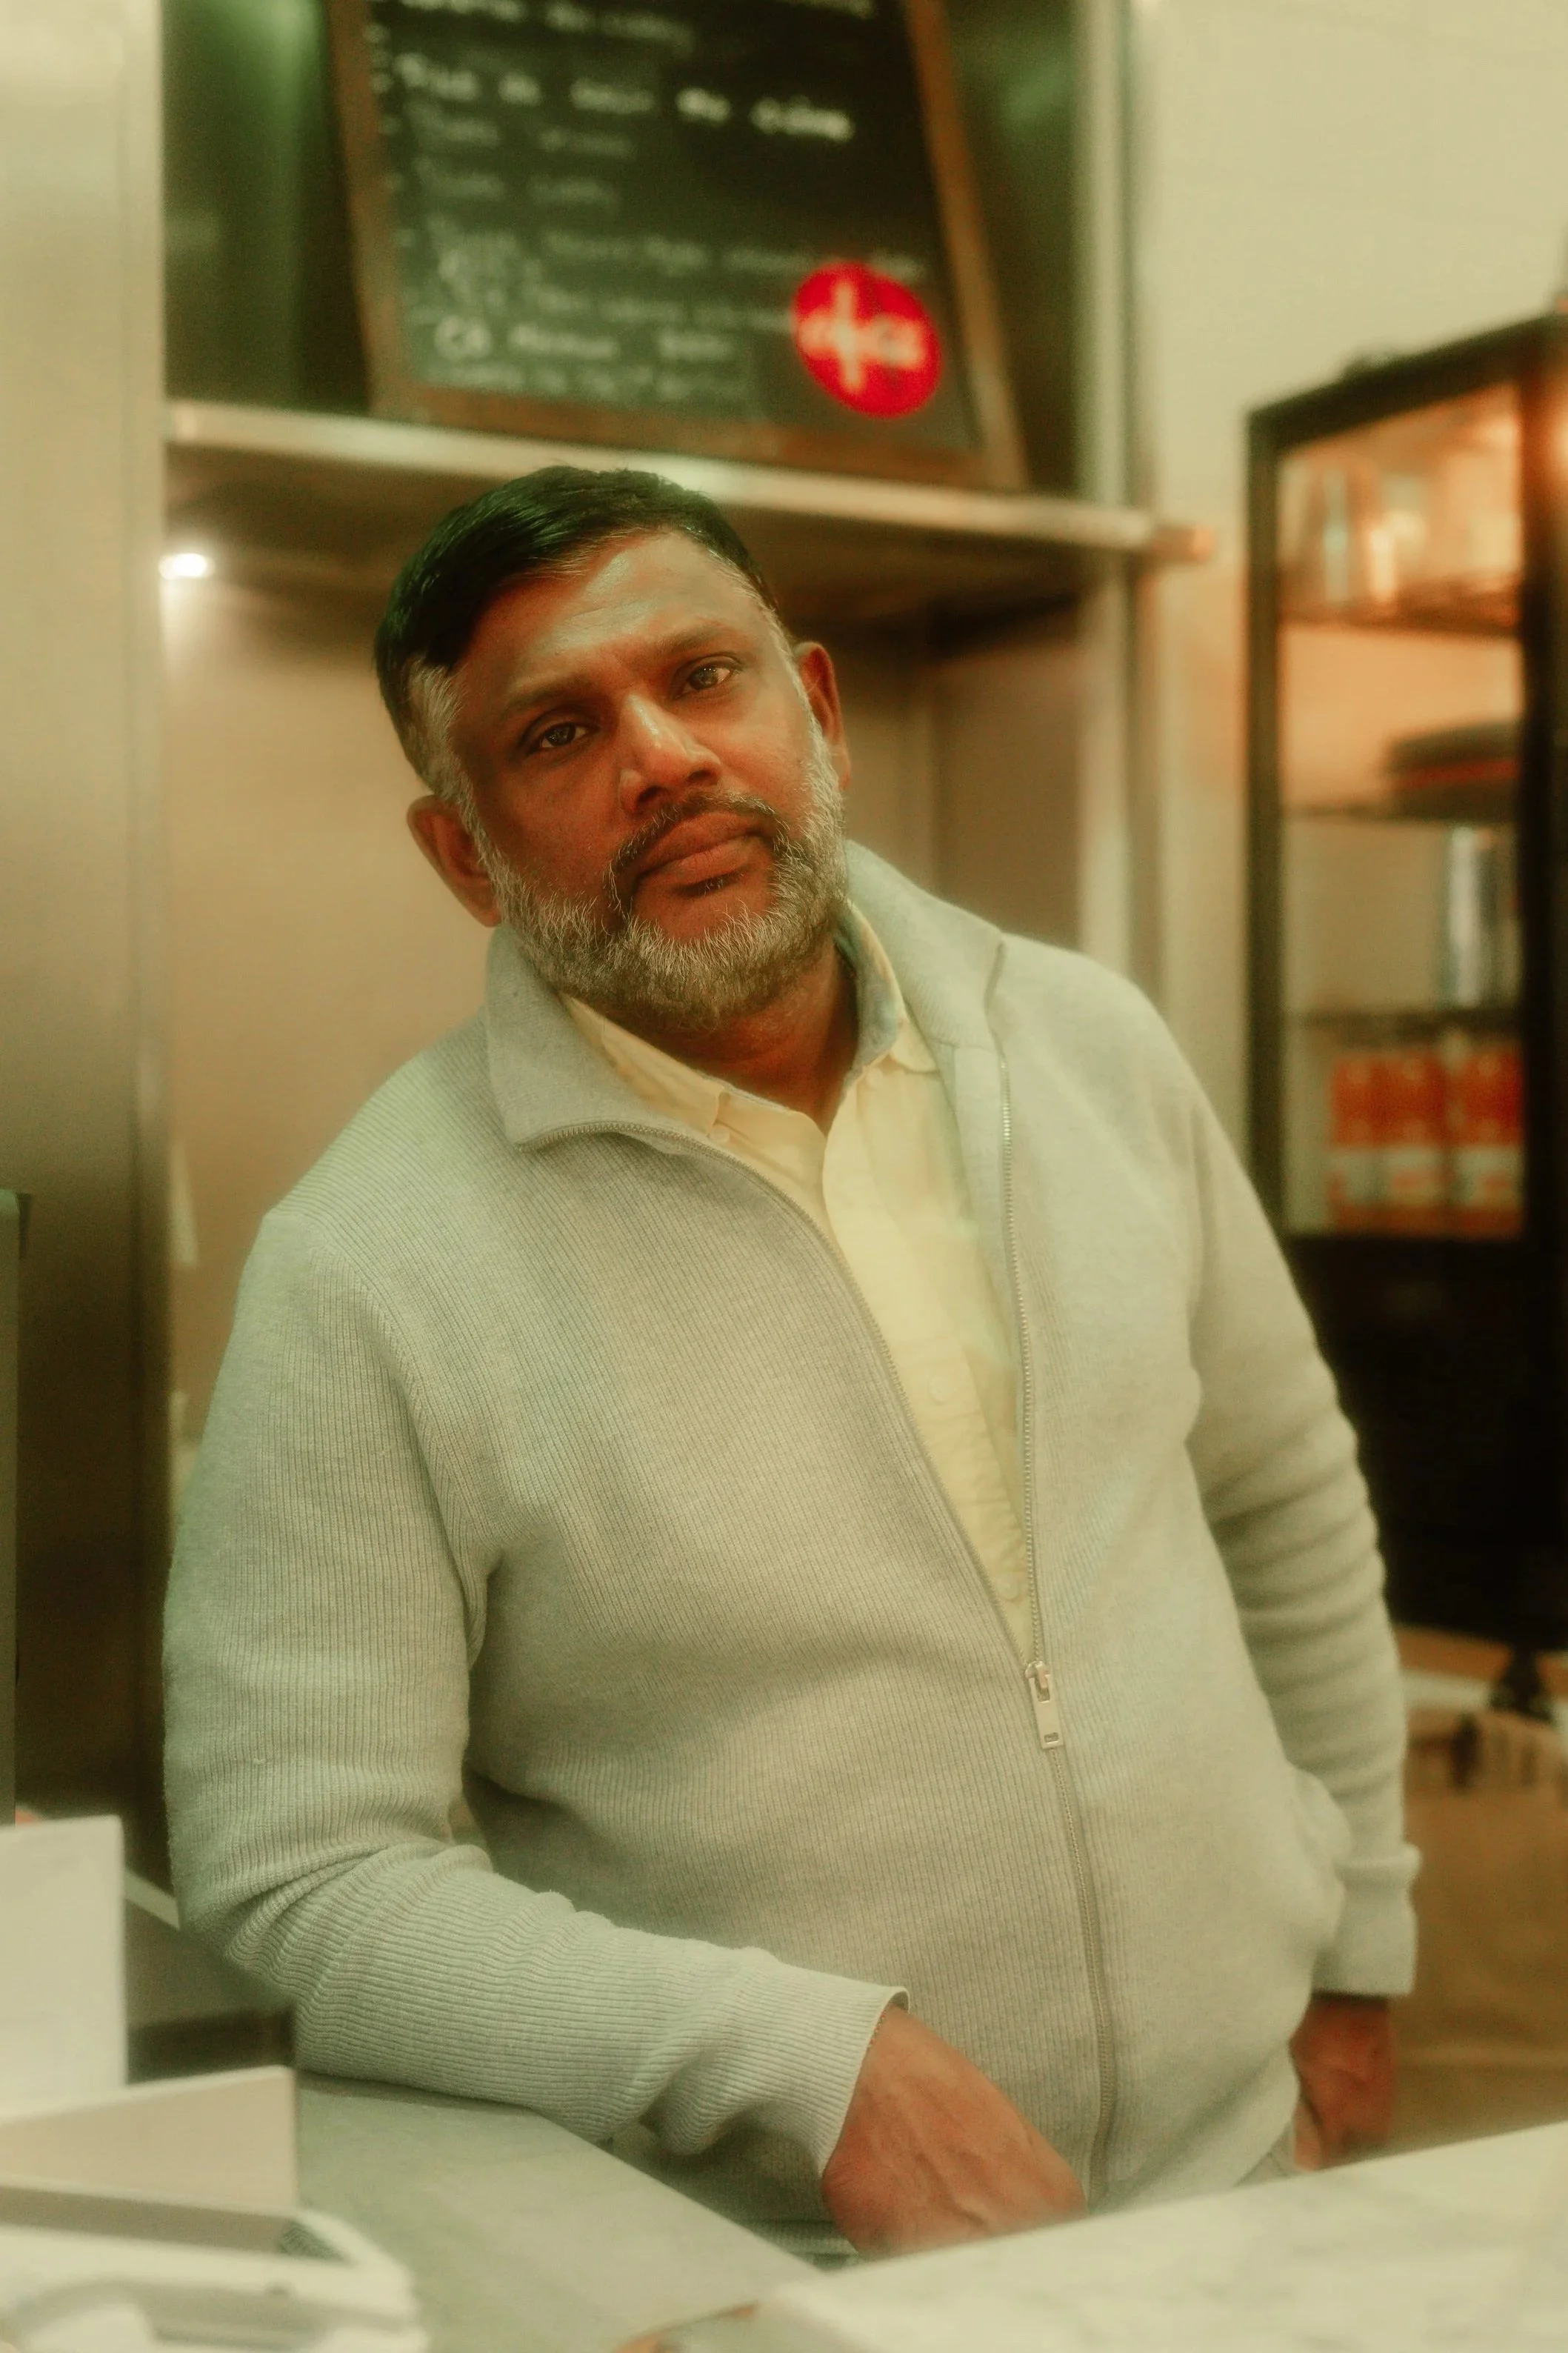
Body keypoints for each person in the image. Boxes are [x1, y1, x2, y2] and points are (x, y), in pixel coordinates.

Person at [164, 467, 1416, 2257]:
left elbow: (1283, 1499)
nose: (661, 755)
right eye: (557, 731)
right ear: (464, 853)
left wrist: (1356, 1950)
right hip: (771, 2273)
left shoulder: (1090, 1049)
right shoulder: (367, 1271)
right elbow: (301, 1879)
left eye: (704, 678)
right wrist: (803, 2063)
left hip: (1240, 2201)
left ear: (812, 712)